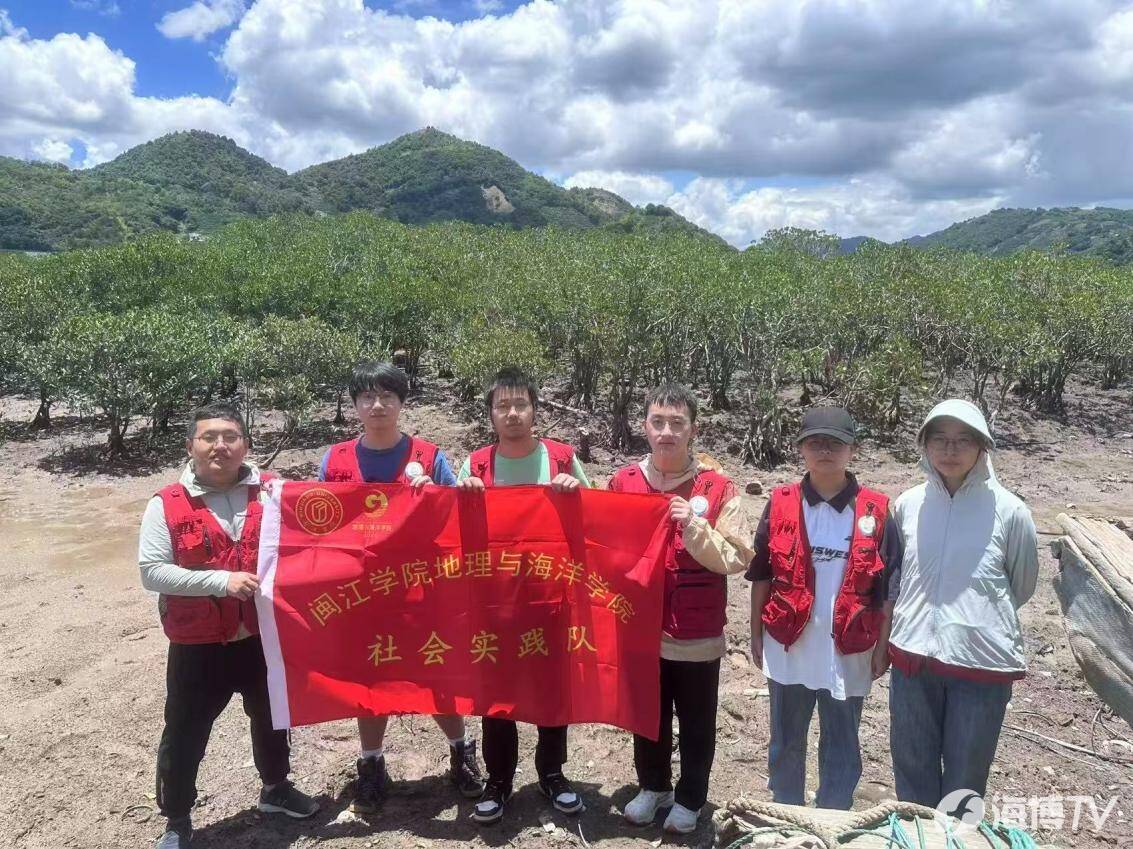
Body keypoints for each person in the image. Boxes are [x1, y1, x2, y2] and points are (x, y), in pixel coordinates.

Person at [138, 402, 319, 849]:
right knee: (185, 731)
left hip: (261, 637)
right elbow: (152, 572)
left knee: (272, 718)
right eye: (209, 437)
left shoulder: (273, 492)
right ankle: (177, 818)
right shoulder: (166, 504)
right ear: (190, 446)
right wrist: (221, 581)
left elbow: (322, 529)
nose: (220, 445)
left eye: (230, 437)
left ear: (246, 445)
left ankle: (276, 789)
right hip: (198, 644)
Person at [319, 361, 485, 813]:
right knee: (371, 678)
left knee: (435, 671)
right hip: (362, 592)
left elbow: (458, 518)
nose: (378, 405)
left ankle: (462, 753)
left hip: (421, 590)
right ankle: (371, 764)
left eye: (387, 396)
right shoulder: (335, 460)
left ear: (401, 402)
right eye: (367, 397)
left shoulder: (430, 457)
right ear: (355, 405)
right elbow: (317, 524)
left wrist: (442, 496)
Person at [608, 384, 754, 834]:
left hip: (696, 632)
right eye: (658, 422)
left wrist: (694, 526)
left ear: (694, 430)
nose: (666, 432)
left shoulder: (719, 487)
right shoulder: (622, 483)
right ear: (644, 427)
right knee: (646, 715)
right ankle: (653, 787)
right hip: (639, 628)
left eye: (677, 423)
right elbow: (599, 543)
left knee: (696, 721)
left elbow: (737, 556)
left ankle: (690, 798)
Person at [747, 407, 903, 810]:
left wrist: (883, 646)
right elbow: (761, 573)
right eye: (815, 442)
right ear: (801, 448)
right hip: (788, 643)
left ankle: (835, 814)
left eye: (835, 443)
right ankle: (785, 811)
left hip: (849, 648)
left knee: (842, 740)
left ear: (854, 449)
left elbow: (889, 588)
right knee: (786, 738)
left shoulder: (876, 510)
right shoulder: (781, 503)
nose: (825, 450)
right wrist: (755, 633)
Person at [455, 367, 590, 825]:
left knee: (552, 688)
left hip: (550, 596)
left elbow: (597, 518)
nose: (512, 413)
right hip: (493, 600)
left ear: (535, 410)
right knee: (497, 693)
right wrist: (465, 497)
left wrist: (575, 494)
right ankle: (498, 781)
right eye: (502, 406)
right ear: (491, 414)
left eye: (521, 404)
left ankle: (552, 774)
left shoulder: (562, 459)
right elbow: (450, 531)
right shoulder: (476, 465)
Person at [887, 399, 1038, 807]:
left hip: (981, 666)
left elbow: (1021, 585)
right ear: (924, 445)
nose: (950, 450)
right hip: (912, 658)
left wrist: (972, 618)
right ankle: (917, 835)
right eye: (939, 439)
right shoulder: (908, 504)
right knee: (912, 771)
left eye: (963, 441)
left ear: (982, 447)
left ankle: (958, 836)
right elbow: (898, 575)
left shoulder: (1011, 511)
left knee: (965, 783)